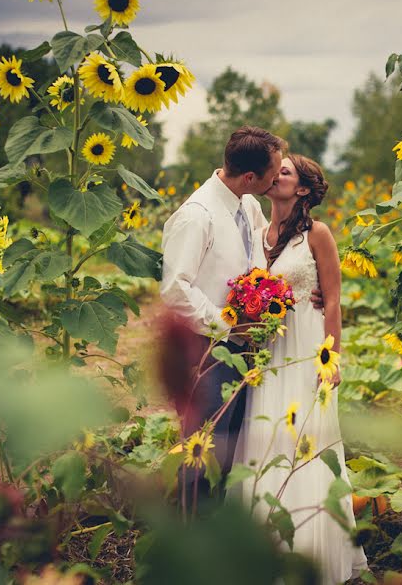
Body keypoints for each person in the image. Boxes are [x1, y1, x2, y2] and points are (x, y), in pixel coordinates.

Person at [160, 126, 322, 501]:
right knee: (203, 447)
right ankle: (189, 535)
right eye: (275, 169)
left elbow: (270, 256)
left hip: (243, 349)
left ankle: (218, 532)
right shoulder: (197, 217)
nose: (280, 174)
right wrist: (230, 323)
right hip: (205, 350)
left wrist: (306, 286)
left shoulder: (247, 205)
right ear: (251, 177)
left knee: (233, 448)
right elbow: (174, 289)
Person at [232, 154, 369, 584]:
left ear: (304, 189)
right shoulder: (258, 233)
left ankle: (312, 552)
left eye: (285, 172)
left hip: (307, 347)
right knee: (265, 436)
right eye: (276, 171)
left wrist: (332, 359)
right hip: (268, 352)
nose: (275, 176)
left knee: (306, 441)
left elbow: (331, 299)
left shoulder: (318, 235)